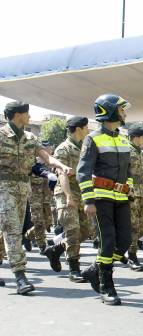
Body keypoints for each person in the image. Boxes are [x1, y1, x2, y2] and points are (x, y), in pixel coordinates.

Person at [0, 101, 72, 295]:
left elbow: (47, 158)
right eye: (27, 113)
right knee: (13, 230)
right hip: (3, 187)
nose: (30, 117)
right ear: (17, 115)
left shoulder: (30, 137)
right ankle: (20, 276)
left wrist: (60, 166)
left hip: (23, 187)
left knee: (7, 229)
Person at [77, 94, 133, 305]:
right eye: (121, 109)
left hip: (121, 198)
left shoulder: (123, 138)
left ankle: (95, 270)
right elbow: (83, 172)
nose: (124, 113)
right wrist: (88, 200)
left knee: (126, 240)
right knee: (108, 241)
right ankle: (105, 286)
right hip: (100, 199)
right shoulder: (93, 138)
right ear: (109, 111)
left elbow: (128, 171)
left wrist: (130, 191)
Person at [43, 116, 93, 282]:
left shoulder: (85, 147)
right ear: (78, 129)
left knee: (86, 231)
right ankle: (74, 268)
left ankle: (56, 250)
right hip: (66, 193)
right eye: (86, 127)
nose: (88, 130)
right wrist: (68, 197)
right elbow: (62, 174)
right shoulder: (63, 149)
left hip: (82, 193)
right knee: (72, 230)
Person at [126, 125, 143, 271]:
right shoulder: (126, 151)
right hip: (131, 192)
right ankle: (132, 256)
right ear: (136, 137)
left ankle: (124, 248)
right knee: (133, 225)